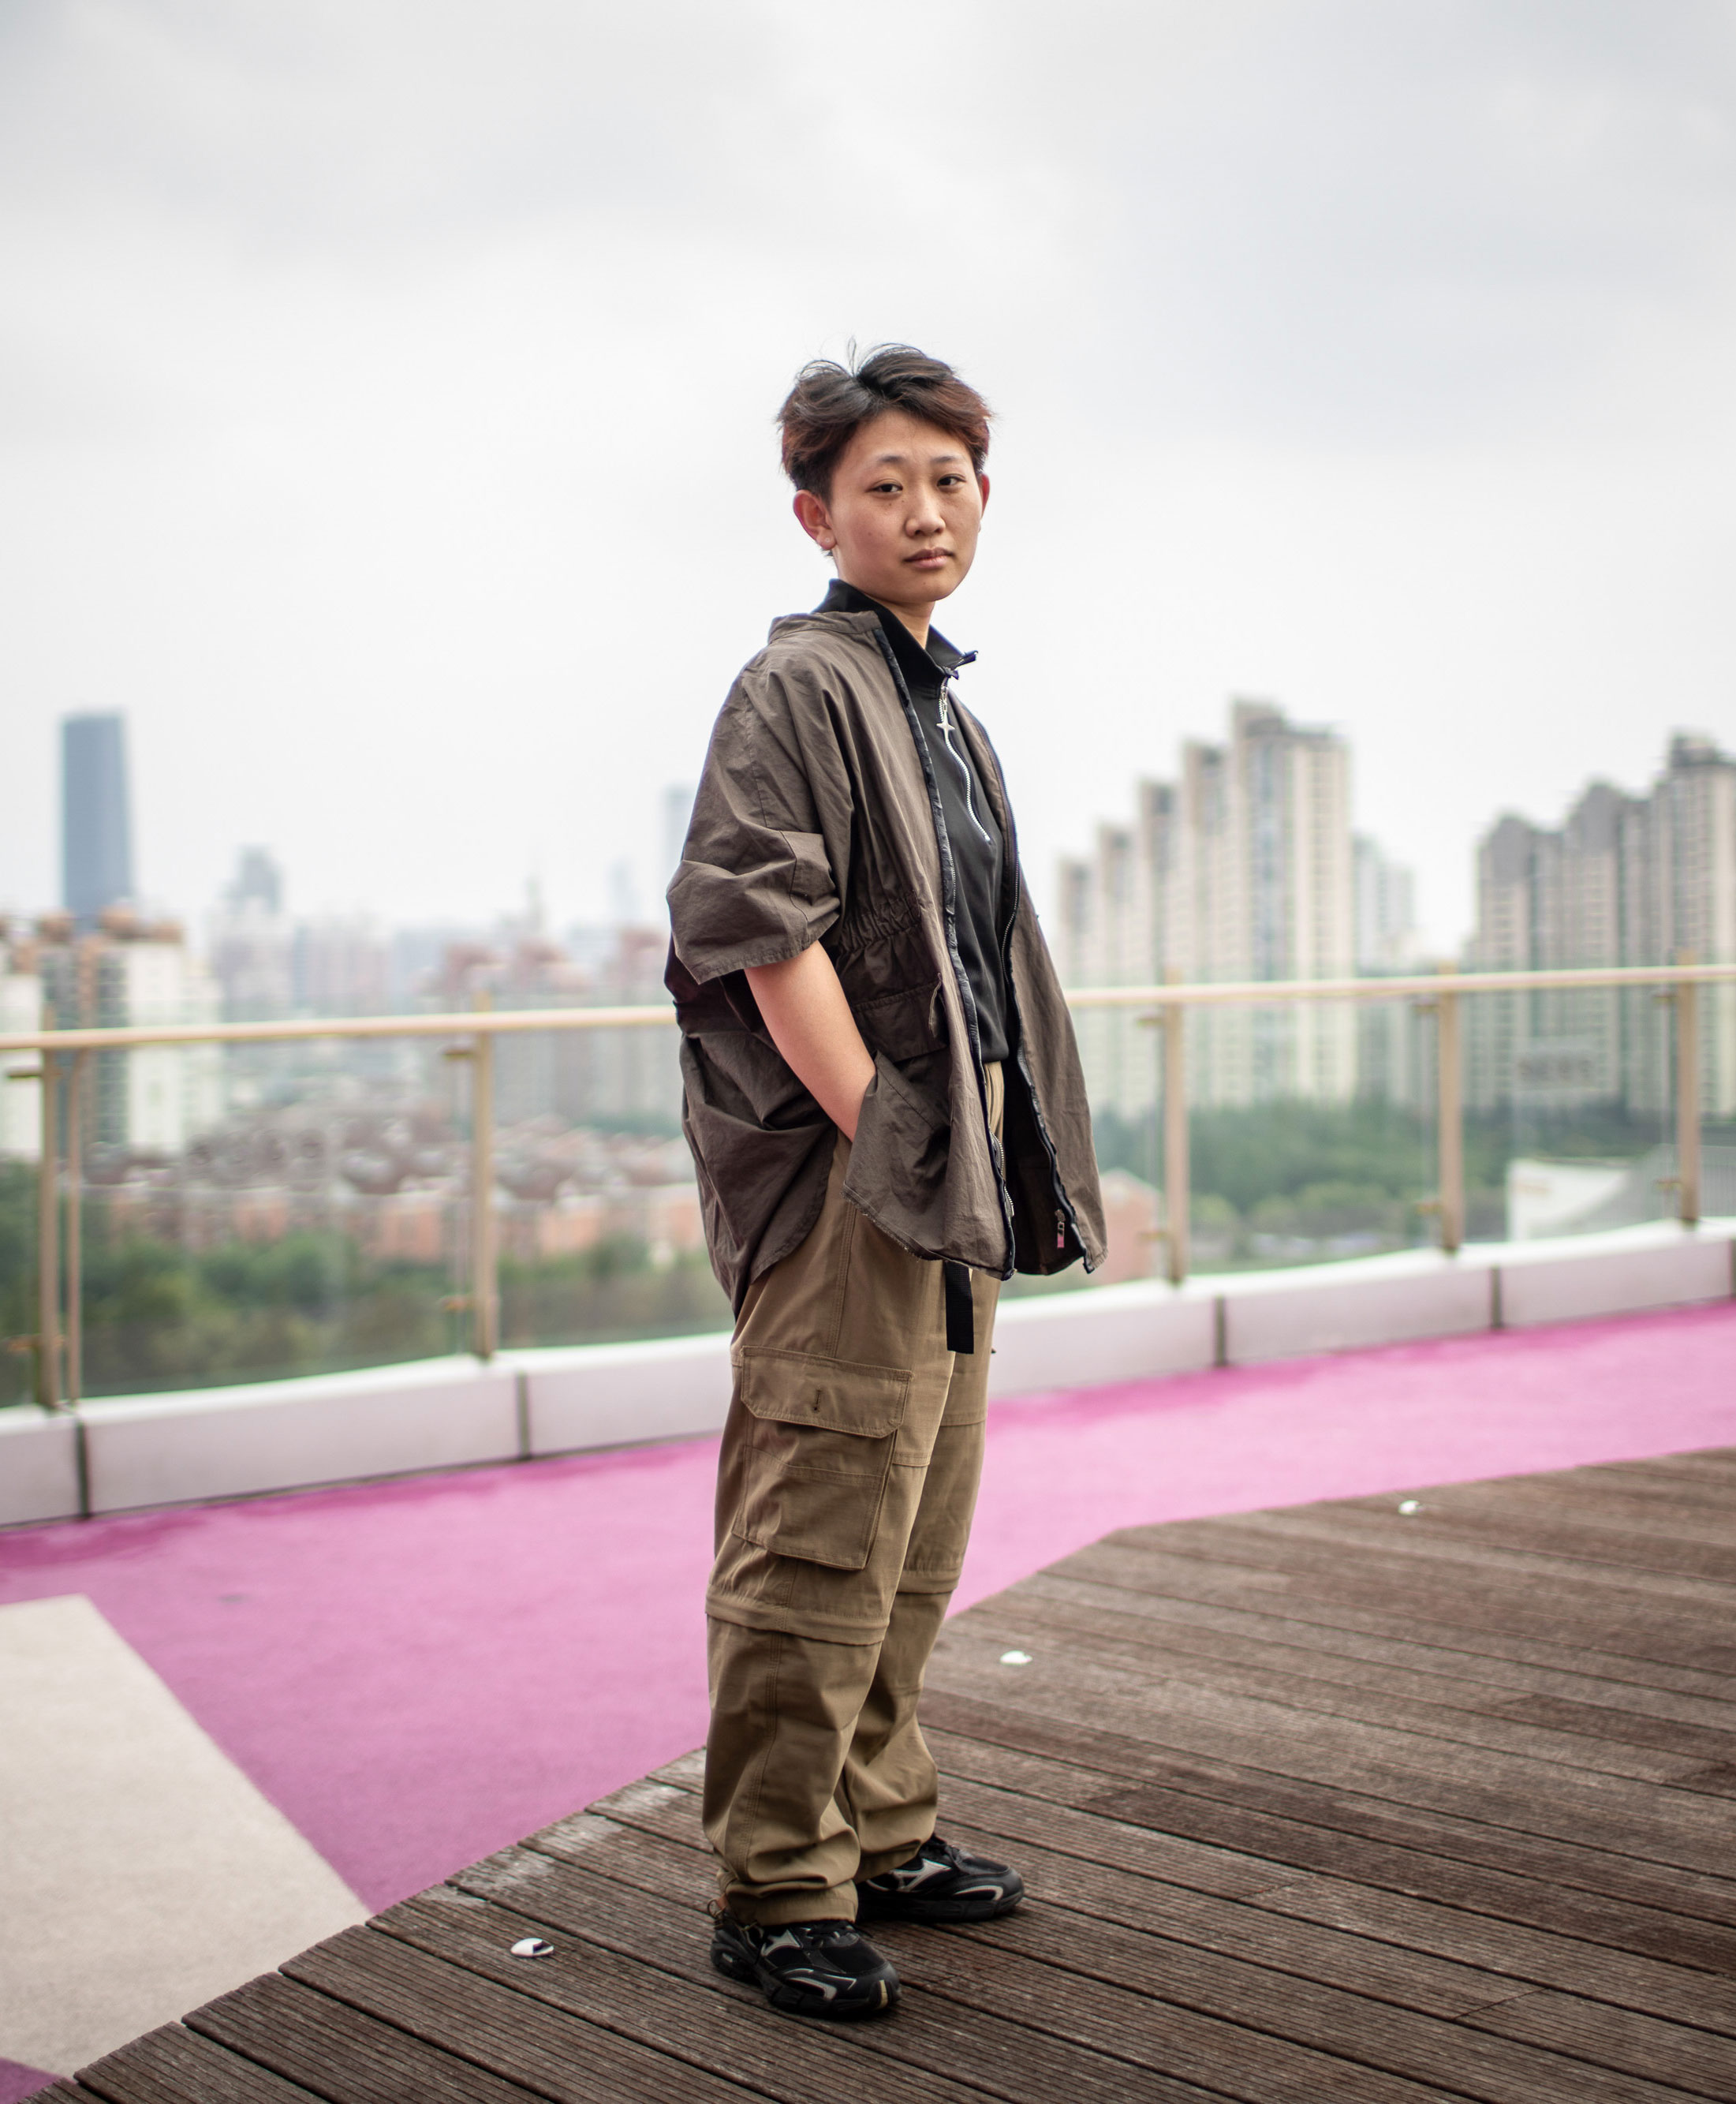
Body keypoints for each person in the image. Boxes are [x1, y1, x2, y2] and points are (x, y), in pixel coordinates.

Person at [666, 344, 1104, 2020]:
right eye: (884, 486)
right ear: (817, 515)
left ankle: (879, 1829)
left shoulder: (942, 708)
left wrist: (976, 1148)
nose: (926, 512)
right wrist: (877, 1132)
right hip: (861, 1176)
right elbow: (755, 927)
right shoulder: (797, 688)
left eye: (949, 480)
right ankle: (778, 1885)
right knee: (815, 1536)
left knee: (913, 1528)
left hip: (950, 1168)